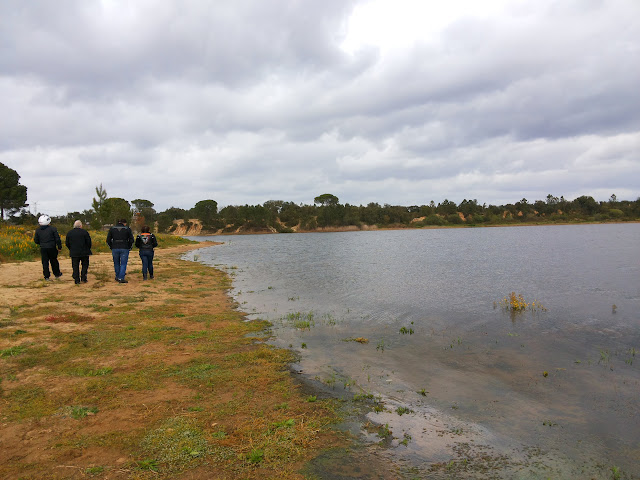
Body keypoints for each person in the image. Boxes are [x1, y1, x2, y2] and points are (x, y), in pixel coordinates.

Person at [33, 214, 63, 281]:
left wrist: (41, 244)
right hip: (52, 247)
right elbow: (57, 239)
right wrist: (59, 246)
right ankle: (57, 274)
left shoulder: (38, 230)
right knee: (54, 261)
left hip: (43, 248)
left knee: (45, 262)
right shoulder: (53, 229)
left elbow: (36, 240)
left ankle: (46, 276)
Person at [106, 218, 134, 283]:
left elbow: (108, 240)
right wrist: (129, 247)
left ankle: (117, 276)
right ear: (124, 223)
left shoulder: (112, 229)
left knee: (116, 263)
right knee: (123, 263)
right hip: (124, 247)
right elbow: (131, 240)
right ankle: (121, 278)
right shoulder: (127, 229)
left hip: (115, 247)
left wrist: (111, 247)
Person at [65, 220, 92, 284]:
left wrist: (71, 249)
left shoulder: (70, 233)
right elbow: (89, 242)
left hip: (74, 252)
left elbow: (67, 243)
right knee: (85, 265)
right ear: (81, 226)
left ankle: (77, 280)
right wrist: (87, 249)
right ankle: (83, 278)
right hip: (84, 252)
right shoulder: (85, 232)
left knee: (75, 266)